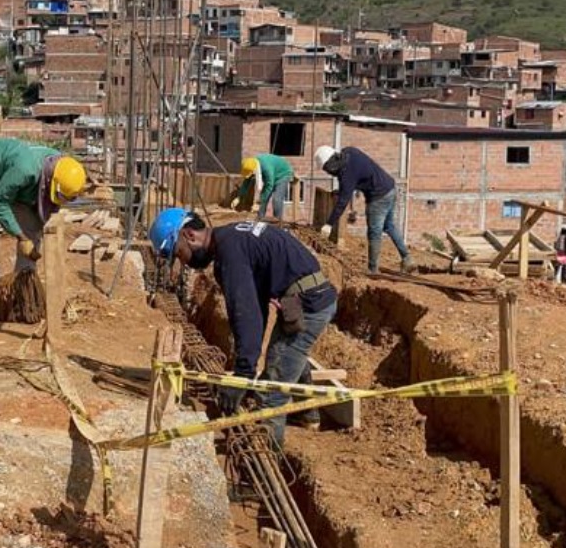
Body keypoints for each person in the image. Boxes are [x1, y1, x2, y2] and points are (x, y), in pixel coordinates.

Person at [148, 208, 338, 445]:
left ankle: (271, 452)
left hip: (310, 306)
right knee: (287, 354)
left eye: (178, 253)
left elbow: (245, 316)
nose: (183, 262)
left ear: (188, 235)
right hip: (306, 297)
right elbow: (256, 310)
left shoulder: (230, 254)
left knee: (271, 389)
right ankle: (308, 415)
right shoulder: (231, 238)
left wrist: (242, 377)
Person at [0, 138, 87, 322]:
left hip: (13, 180)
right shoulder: (26, 170)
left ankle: (22, 293)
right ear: (52, 181)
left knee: (33, 230)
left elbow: (44, 209)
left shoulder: (60, 170)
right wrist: (21, 237)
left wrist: (34, 239)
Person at [314, 145, 415, 274]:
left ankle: (373, 270)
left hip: (378, 197)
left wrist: (329, 224)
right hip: (390, 188)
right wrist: (343, 190)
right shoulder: (349, 151)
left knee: (374, 232)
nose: (328, 173)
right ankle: (407, 259)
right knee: (389, 226)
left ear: (331, 165)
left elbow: (342, 202)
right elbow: (353, 176)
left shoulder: (347, 175)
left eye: (327, 169)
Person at [236, 154, 294, 221]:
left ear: (254, 170)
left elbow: (269, 185)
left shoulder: (266, 167)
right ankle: (260, 219)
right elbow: (246, 181)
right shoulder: (251, 165)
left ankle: (278, 221)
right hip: (272, 174)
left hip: (282, 174)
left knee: (276, 199)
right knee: (263, 196)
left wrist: (258, 203)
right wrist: (239, 197)